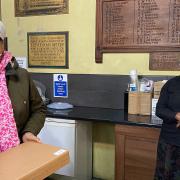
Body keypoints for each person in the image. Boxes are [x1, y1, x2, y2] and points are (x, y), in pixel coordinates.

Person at [0, 21, 46, 152]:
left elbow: (38, 109)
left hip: (15, 154)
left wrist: (29, 132)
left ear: (3, 44)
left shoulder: (21, 76)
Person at [154, 77, 180, 179]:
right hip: (169, 141)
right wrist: (176, 116)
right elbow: (159, 109)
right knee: (163, 175)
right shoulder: (171, 83)